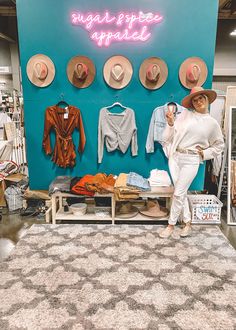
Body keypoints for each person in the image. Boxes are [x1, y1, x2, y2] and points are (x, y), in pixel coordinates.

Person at [159, 86, 224, 238]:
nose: (198, 102)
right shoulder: (185, 115)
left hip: (191, 159)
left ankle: (171, 225)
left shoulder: (212, 123)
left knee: (178, 192)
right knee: (180, 193)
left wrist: (205, 153)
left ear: (207, 99)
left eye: (201, 98)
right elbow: (170, 136)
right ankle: (187, 223)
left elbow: (219, 145)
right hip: (175, 157)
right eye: (194, 100)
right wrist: (170, 124)